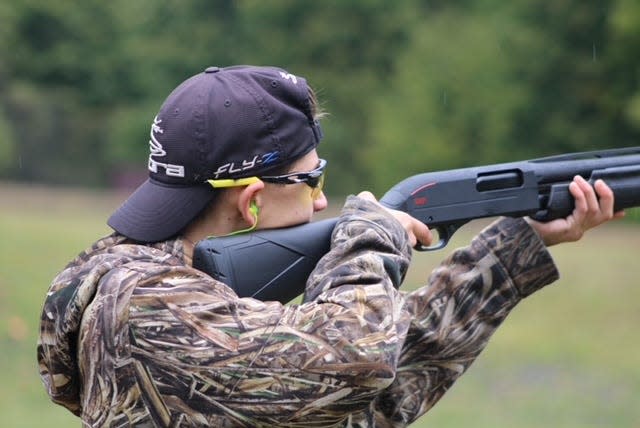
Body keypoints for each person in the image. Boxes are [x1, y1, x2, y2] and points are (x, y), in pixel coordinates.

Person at [37, 65, 624, 427]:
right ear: (253, 201)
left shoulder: (153, 286)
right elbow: (358, 360)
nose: (323, 203)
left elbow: (366, 397)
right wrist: (371, 235)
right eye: (313, 179)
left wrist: (513, 249)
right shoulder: (145, 308)